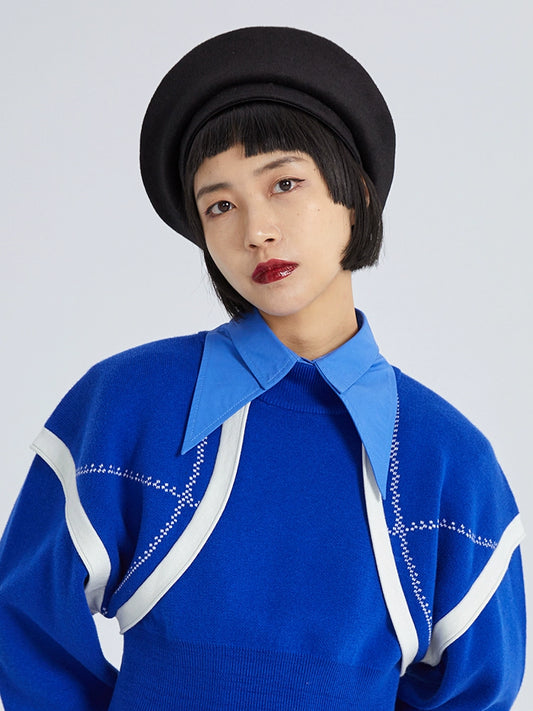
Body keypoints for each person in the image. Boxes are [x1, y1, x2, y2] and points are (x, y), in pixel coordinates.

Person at [0, 26, 525, 711]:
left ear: (358, 196)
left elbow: (475, 693)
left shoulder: (450, 462)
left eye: (284, 182)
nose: (255, 230)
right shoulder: (125, 406)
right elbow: (25, 628)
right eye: (220, 204)